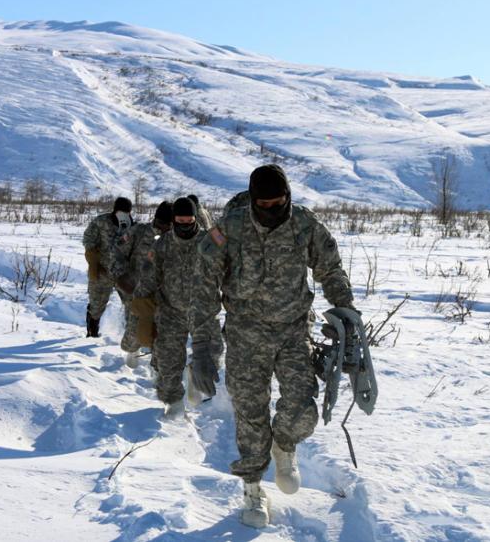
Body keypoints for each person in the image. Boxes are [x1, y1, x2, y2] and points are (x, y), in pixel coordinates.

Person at [198, 164, 358, 528]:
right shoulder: (231, 228)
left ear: (288, 196)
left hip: (292, 331)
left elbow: (330, 269)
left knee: (301, 408)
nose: (272, 209)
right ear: (253, 201)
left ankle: (284, 445)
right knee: (250, 413)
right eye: (264, 204)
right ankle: (253, 490)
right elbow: (204, 280)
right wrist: (204, 340)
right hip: (245, 335)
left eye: (278, 202)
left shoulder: (304, 224)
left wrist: (346, 312)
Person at [135, 197, 221, 418]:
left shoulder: (209, 241)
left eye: (189, 220)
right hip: (171, 310)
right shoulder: (162, 243)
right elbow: (150, 274)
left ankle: (195, 376)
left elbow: (227, 270)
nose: (184, 224)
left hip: (203, 312)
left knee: (212, 356)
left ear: (195, 218)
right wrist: (141, 304)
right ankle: (173, 403)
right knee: (168, 361)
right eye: (180, 220)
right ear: (173, 220)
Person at [113, 200, 172, 366]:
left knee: (163, 335)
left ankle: (158, 368)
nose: (164, 227)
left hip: (164, 296)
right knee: (133, 337)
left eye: (168, 224)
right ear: (156, 219)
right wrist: (121, 277)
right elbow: (116, 252)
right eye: (161, 223)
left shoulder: (175, 237)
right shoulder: (138, 232)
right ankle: (131, 355)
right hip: (135, 292)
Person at [82, 197, 133, 338]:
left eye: (127, 212)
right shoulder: (101, 222)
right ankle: (92, 334)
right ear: (115, 210)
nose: (124, 214)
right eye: (121, 211)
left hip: (124, 274)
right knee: (96, 305)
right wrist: (94, 262)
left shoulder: (132, 226)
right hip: (102, 272)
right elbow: (87, 240)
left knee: (132, 304)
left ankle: (131, 337)